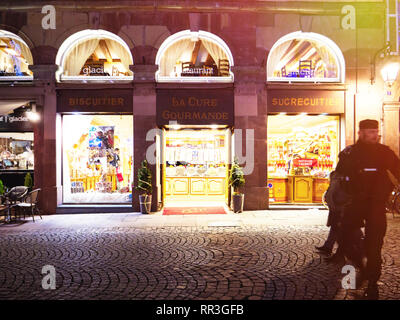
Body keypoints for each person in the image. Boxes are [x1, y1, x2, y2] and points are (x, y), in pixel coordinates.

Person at [334, 119, 400, 299]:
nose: (374, 135)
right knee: (344, 238)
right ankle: (362, 265)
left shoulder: (384, 152)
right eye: (370, 132)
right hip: (356, 203)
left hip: (377, 205)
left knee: (374, 246)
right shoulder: (351, 152)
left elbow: (398, 170)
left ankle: (372, 284)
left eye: (375, 131)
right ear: (360, 133)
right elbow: (339, 173)